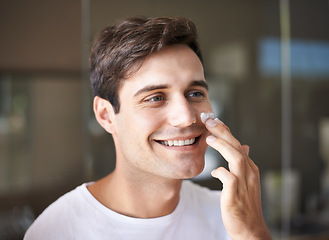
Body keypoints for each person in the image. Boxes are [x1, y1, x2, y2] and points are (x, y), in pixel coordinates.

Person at [24, 16, 272, 240]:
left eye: (195, 93)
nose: (186, 118)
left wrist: (252, 233)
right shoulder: (56, 230)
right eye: (155, 98)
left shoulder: (232, 217)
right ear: (106, 115)